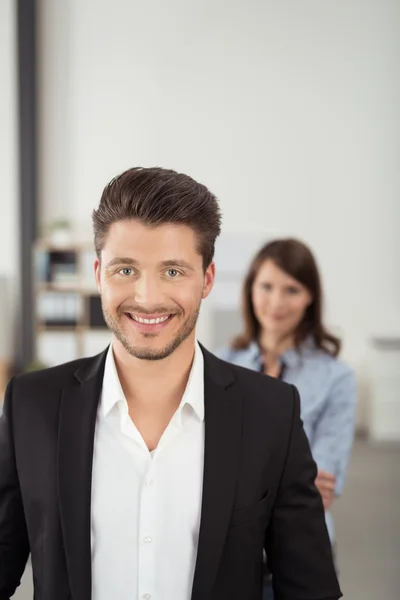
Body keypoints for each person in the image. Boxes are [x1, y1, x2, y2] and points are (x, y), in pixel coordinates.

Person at [0, 168, 342, 600]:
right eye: (125, 269)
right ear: (98, 274)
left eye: (173, 272)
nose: (147, 297)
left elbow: (309, 589)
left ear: (208, 279)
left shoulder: (270, 412)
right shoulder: (32, 406)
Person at [217, 238, 357, 600]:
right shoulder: (219, 365)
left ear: (310, 296)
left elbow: (320, 487)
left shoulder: (336, 378)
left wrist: (237, 481)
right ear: (250, 289)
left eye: (291, 289)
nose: (276, 302)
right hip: (227, 554)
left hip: (302, 550)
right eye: (266, 286)